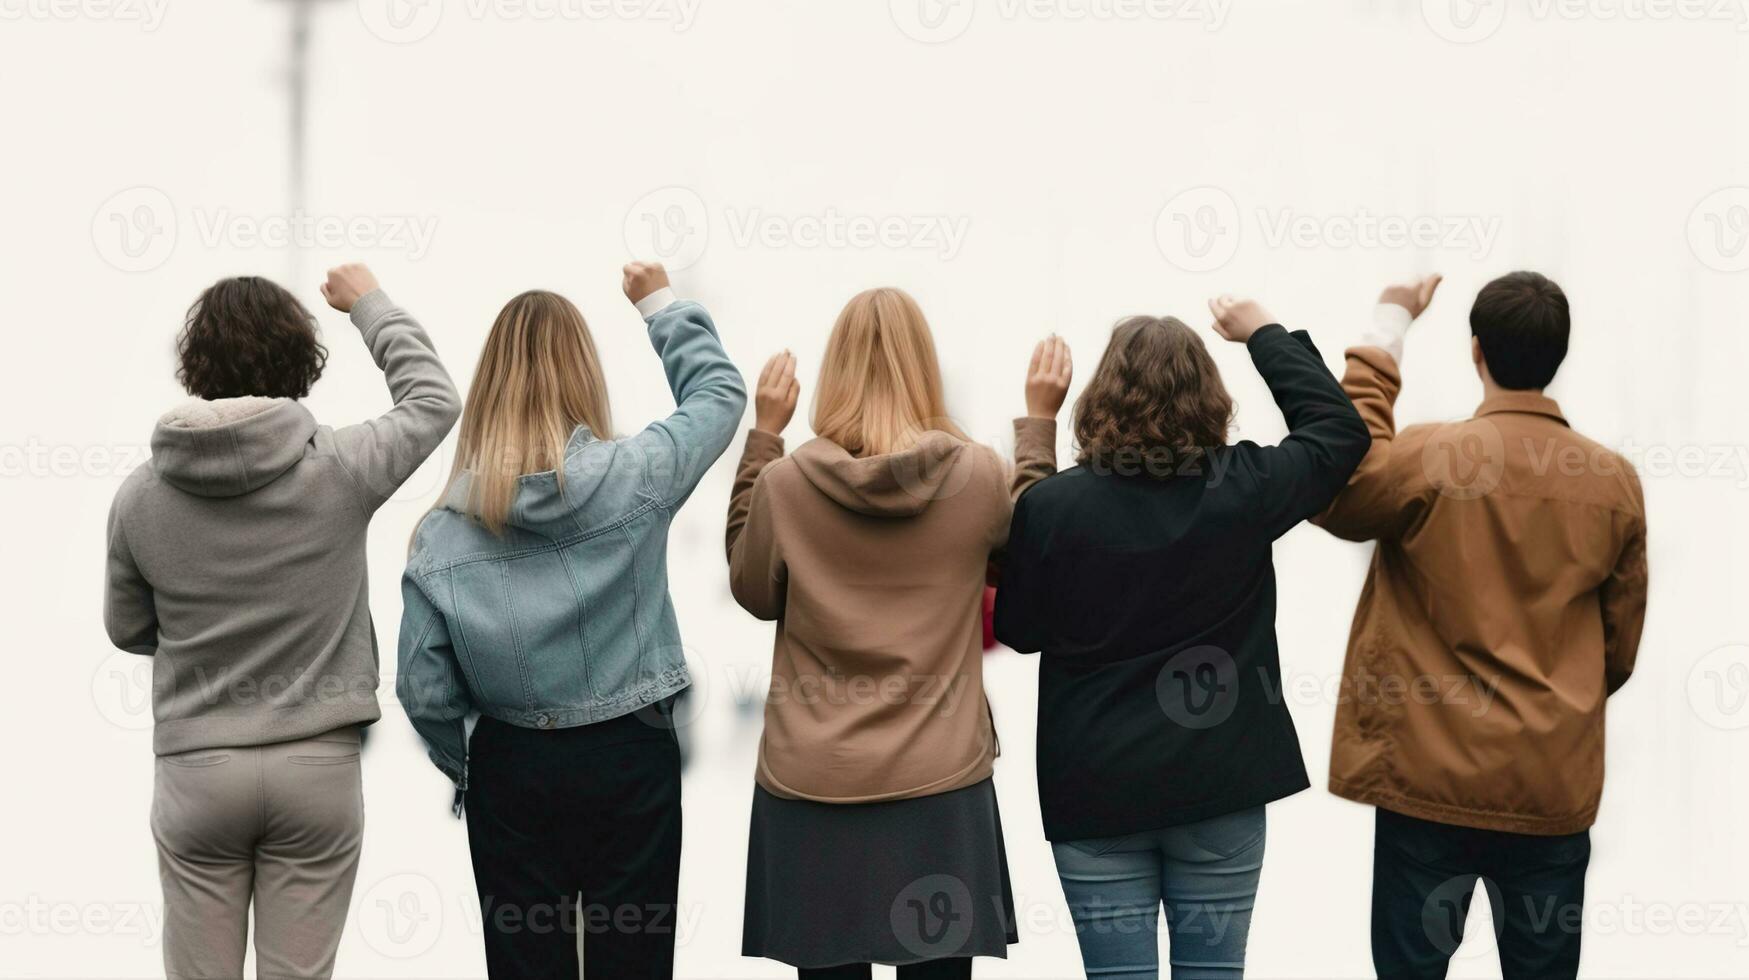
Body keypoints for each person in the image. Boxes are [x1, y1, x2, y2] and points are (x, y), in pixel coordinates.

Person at [993, 297, 1371, 980]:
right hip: (1219, 783)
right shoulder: (1246, 488)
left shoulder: (1054, 507)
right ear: (1208, 397)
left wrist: (1036, 429)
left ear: (1098, 398)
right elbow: (1338, 433)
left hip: (1095, 789)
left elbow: (1018, 630)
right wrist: (1262, 335)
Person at [103, 264, 462, 978]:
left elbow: (127, 628)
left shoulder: (140, 497)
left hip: (197, 765)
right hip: (315, 765)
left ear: (195, 366)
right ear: (301, 363)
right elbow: (432, 400)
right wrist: (367, 303)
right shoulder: (341, 467)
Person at [396, 261, 746, 978]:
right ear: (583, 375)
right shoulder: (637, 475)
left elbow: (421, 685)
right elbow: (718, 394)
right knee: (633, 963)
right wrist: (658, 304)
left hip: (512, 763)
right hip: (632, 754)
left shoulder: (442, 533)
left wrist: (462, 764)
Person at [1314, 272, 1649, 980]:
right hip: (1547, 787)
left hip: (1424, 779)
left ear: (1475, 351)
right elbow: (1617, 647)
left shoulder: (1430, 458)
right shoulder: (1613, 481)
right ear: (1557, 355)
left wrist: (1386, 328)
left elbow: (1338, 481)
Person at [725, 287, 1046, 979]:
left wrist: (762, 441)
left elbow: (753, 592)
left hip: (811, 780)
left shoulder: (783, 485)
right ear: (923, 368)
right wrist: (1036, 434)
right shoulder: (979, 478)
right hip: (941, 775)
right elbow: (1032, 572)